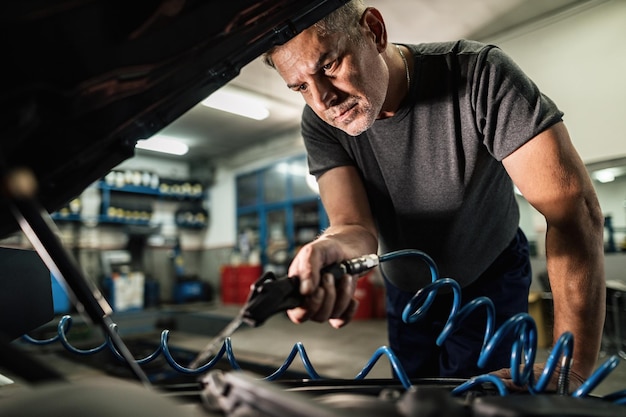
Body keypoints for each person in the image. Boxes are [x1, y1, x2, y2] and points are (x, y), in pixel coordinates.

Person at [263, 0, 605, 391]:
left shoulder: (479, 74)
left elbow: (573, 211)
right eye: (301, 87)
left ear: (374, 31)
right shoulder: (320, 123)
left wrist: (574, 364)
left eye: (328, 66)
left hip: (489, 275)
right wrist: (331, 248)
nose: (324, 100)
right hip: (407, 287)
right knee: (417, 399)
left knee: (487, 401)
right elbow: (353, 225)